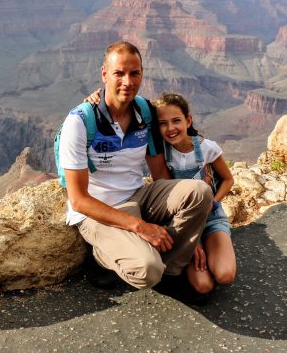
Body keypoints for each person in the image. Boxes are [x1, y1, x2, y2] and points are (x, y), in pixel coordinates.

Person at [59, 41, 212, 290]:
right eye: (119, 73)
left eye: (135, 73)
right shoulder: (80, 121)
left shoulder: (145, 112)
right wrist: (141, 228)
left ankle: (170, 270)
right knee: (147, 271)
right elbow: (79, 201)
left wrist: (192, 238)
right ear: (104, 74)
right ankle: (103, 258)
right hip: (99, 211)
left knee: (200, 192)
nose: (128, 82)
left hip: (139, 196)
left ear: (142, 73)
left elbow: (160, 173)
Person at [154, 93, 236, 293]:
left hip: (211, 217)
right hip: (185, 222)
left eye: (176, 121)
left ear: (188, 120)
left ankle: (213, 249)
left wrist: (213, 203)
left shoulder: (207, 148)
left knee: (225, 275)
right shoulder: (162, 153)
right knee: (203, 286)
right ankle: (195, 259)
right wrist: (191, 243)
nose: (171, 128)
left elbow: (228, 180)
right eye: (163, 123)